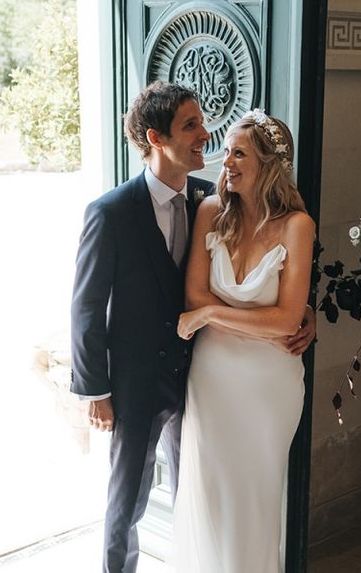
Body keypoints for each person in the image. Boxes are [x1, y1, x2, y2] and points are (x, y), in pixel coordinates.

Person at [70, 82, 315, 573]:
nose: (206, 134)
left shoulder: (210, 199)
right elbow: (86, 307)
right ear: (155, 138)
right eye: (191, 126)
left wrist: (302, 314)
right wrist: (94, 389)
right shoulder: (111, 212)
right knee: (127, 504)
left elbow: (271, 277)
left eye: (204, 124)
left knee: (201, 498)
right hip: (138, 381)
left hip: (200, 376)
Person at [172, 110, 316, 573]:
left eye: (239, 153)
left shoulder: (297, 226)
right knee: (210, 494)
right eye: (227, 151)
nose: (226, 162)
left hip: (269, 387)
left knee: (256, 498)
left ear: (269, 165)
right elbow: (194, 292)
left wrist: (212, 313)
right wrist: (260, 321)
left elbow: (288, 319)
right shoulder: (211, 212)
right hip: (212, 379)